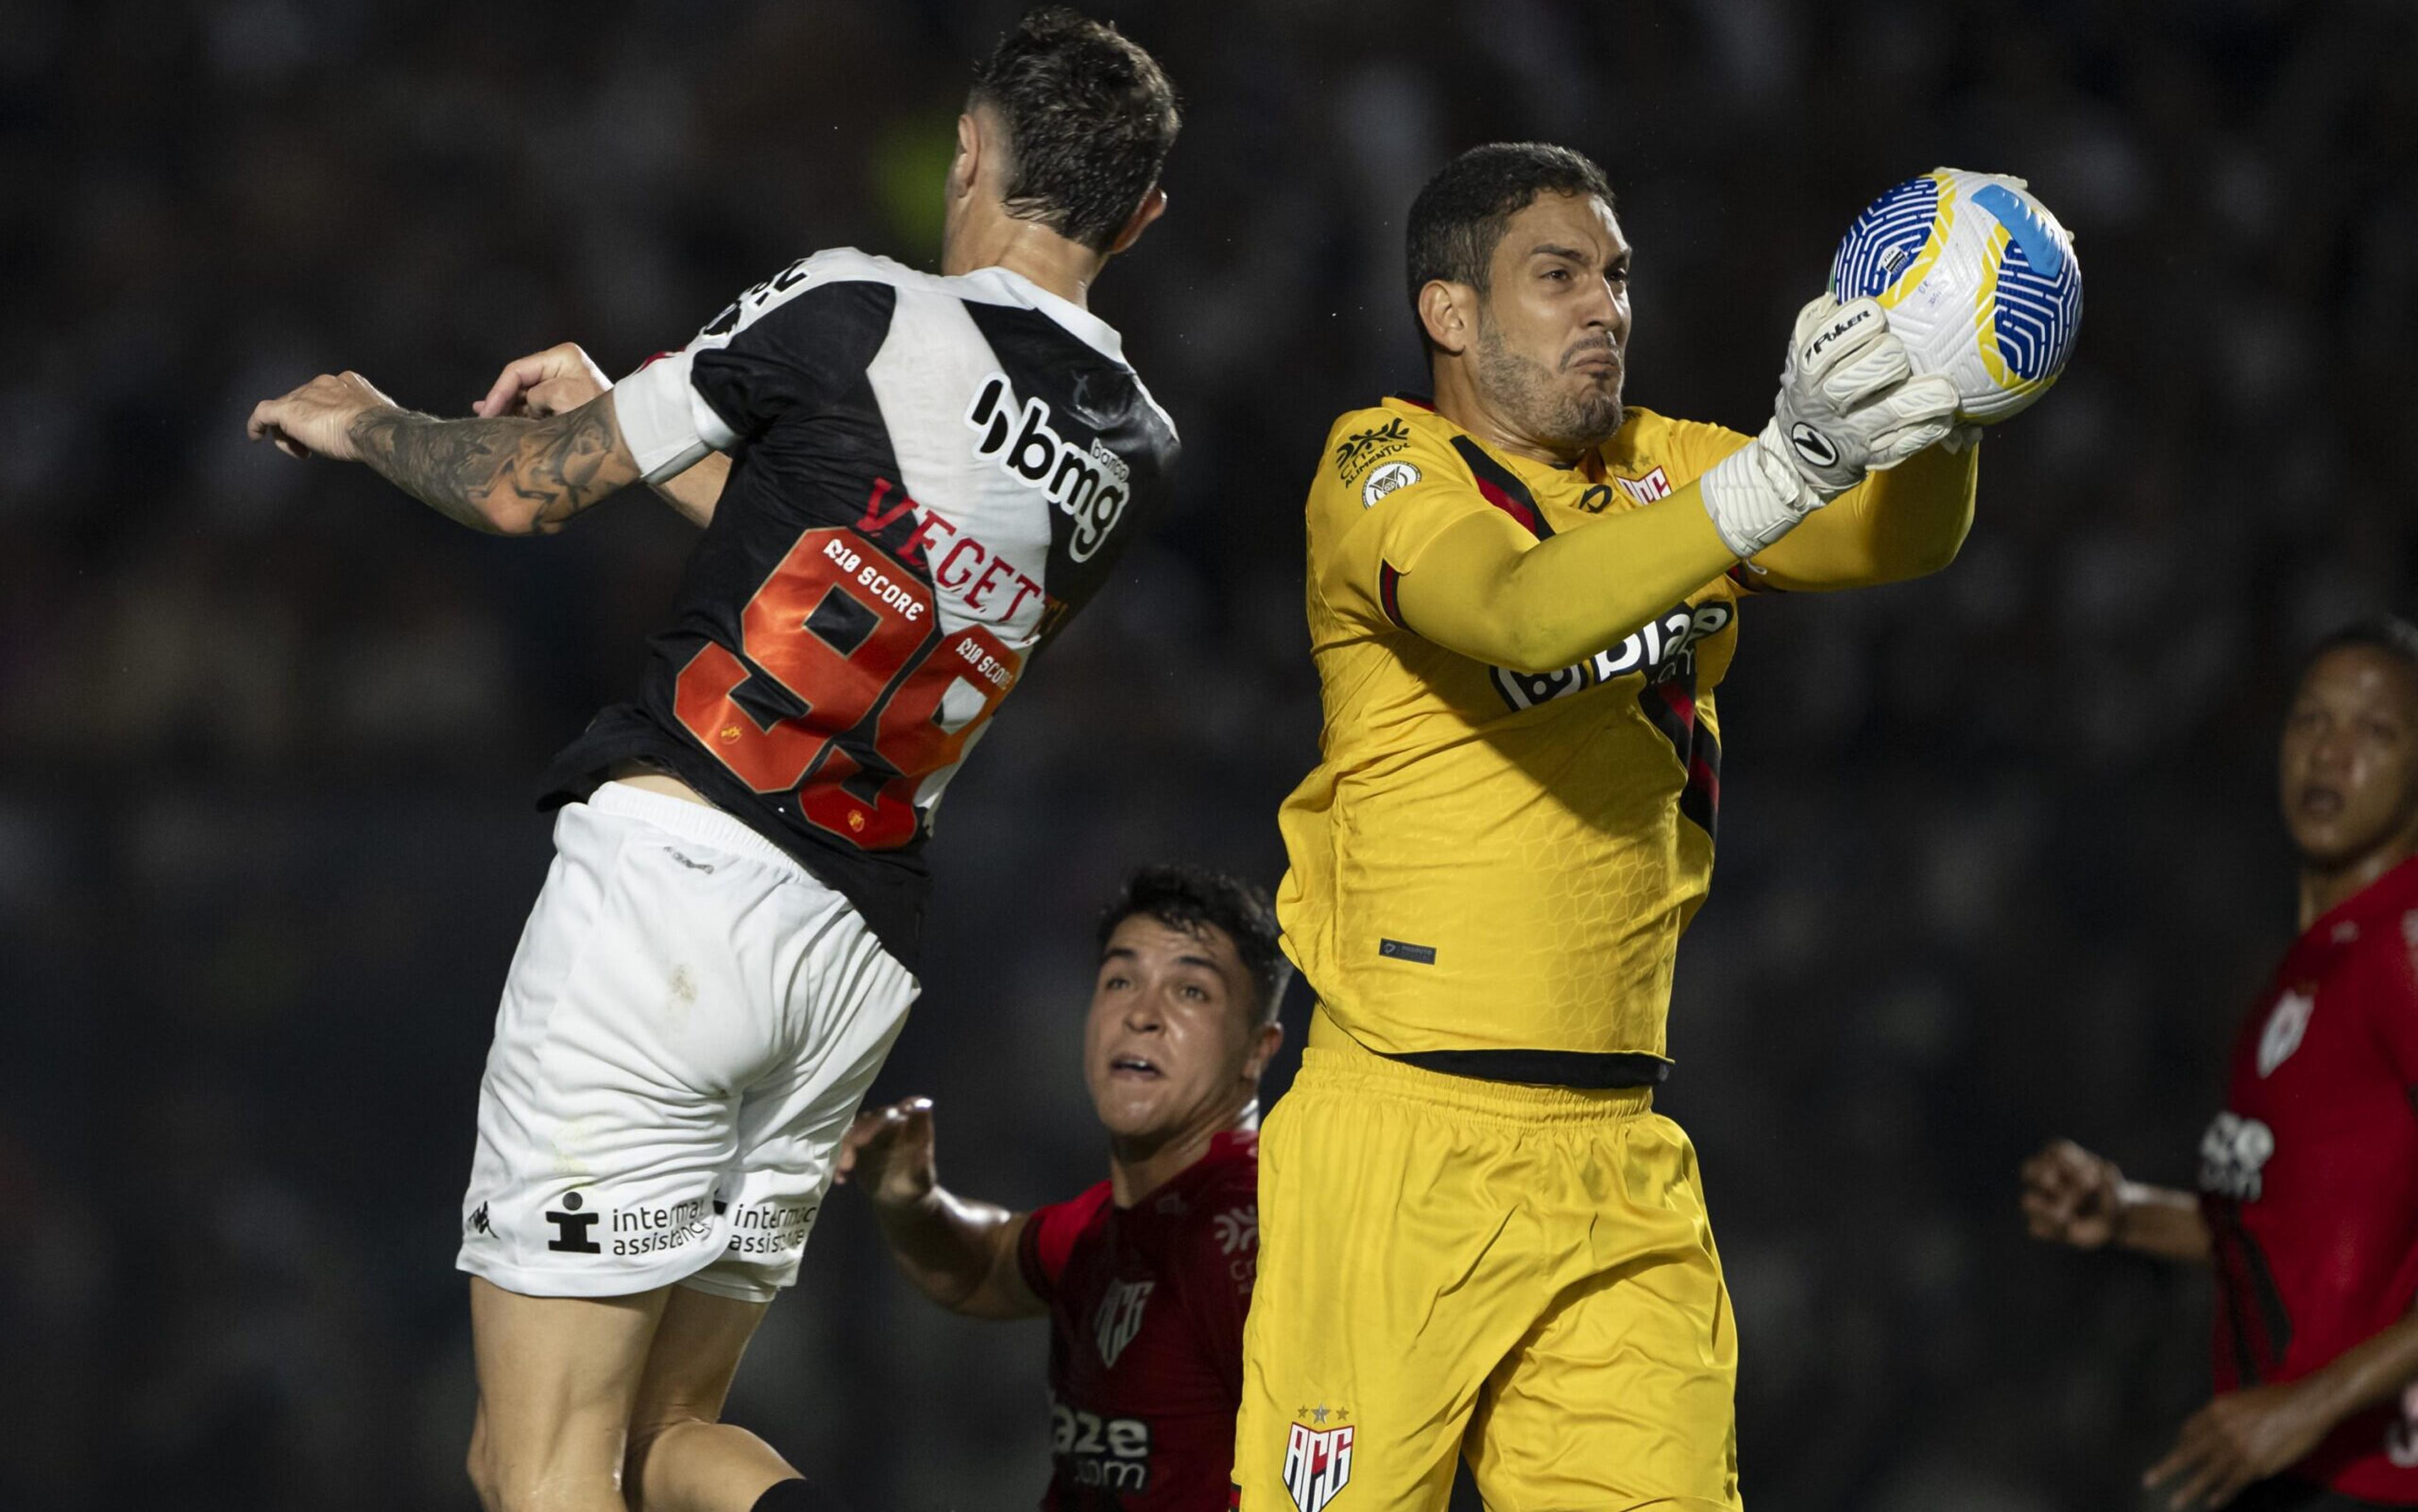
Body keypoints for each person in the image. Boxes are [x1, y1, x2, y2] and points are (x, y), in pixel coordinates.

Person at [241, 12, 1181, 1512]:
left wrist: (366, 427)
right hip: (848, 962)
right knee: (665, 1448)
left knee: (537, 1464)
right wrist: (643, 422)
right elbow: (880, 570)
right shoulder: (1135, 450)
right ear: (1139, 217)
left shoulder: (852, 305)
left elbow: (520, 499)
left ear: (967, 155)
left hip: (673, 908)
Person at [1235, 142, 1985, 1511]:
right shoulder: (1381, 466)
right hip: (1405, 1145)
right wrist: (1781, 471)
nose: (1606, 308)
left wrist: (1956, 391)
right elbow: (1518, 613)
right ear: (1449, 313)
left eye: (1619, 277)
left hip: (1617, 1153)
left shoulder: (1663, 470)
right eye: (1559, 274)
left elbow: (1893, 539)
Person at [2023, 620, 2418, 1512]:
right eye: (2312, 722)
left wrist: (2303, 1410)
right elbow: (2306, 1235)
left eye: (2376, 732)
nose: (2331, 753)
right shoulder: (2311, 966)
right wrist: (2126, 1211)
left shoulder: (2404, 951)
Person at [834, 865, 1286, 1510]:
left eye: (1190, 991)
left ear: (1258, 1051)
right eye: (1121, 979)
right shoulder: (1117, 1222)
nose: (1142, 1015)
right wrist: (914, 1200)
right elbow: (986, 1265)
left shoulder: (1251, 1232)